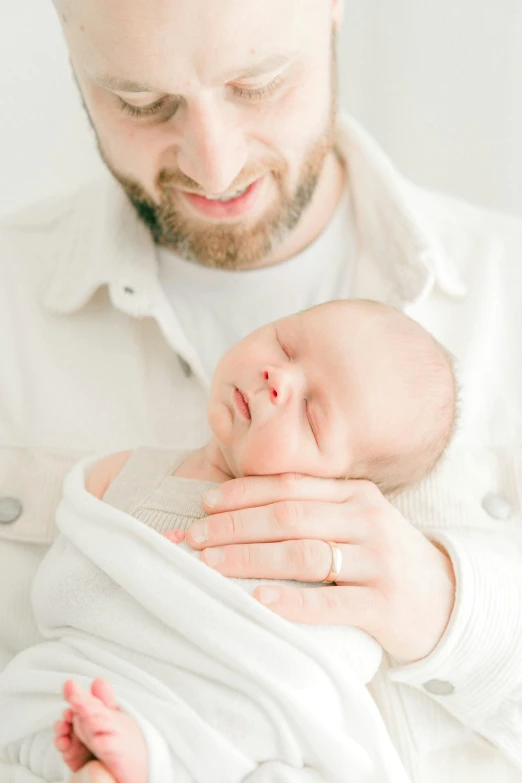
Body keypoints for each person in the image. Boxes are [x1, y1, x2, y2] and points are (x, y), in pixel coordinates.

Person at [0, 0, 520, 781]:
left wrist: (449, 607)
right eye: (142, 103)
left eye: (260, 83)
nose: (216, 164)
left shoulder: (505, 292)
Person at [1, 299, 456, 783]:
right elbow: (65, 595)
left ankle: (155, 758)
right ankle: (119, 754)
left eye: (312, 415)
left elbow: (306, 681)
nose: (277, 378)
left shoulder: (320, 554)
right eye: (286, 344)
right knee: (53, 715)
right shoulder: (122, 473)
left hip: (217, 732)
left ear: (336, 487)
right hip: (87, 684)